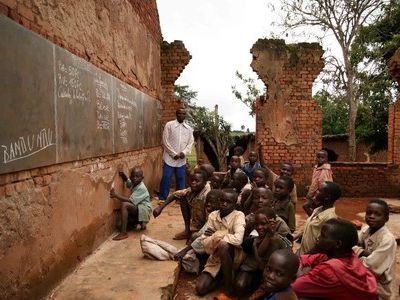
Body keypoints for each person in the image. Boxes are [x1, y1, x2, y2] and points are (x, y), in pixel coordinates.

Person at [292, 219, 377, 300]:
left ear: (337, 244)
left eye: (323, 236)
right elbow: (305, 259)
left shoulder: (328, 270)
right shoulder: (349, 256)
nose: (318, 238)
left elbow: (294, 287)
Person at [195, 189, 246, 297]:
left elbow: (238, 239)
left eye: (228, 202)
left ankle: (228, 286)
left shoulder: (238, 215)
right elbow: (205, 242)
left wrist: (216, 235)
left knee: (223, 245)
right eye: (222, 200)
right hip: (215, 257)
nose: (224, 204)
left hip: (234, 257)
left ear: (235, 204)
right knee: (200, 289)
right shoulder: (213, 215)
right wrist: (222, 235)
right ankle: (221, 275)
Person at [235, 207, 291, 296]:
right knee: (240, 285)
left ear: (272, 223)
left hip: (269, 272)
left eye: (263, 224)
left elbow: (262, 264)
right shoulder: (255, 235)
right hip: (255, 267)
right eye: (257, 224)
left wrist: (268, 235)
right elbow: (256, 255)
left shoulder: (277, 240)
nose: (259, 227)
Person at [353, 199, 398, 299]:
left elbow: (369, 266)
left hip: (380, 286)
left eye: (377, 214)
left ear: (386, 219)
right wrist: (364, 252)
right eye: (369, 213)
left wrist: (358, 253)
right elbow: (351, 244)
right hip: (367, 278)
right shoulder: (365, 230)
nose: (371, 216)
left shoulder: (387, 240)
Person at [153, 171, 210, 240]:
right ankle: (187, 230)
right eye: (192, 180)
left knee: (195, 238)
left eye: (197, 181)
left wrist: (199, 234)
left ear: (204, 182)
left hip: (206, 224)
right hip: (197, 220)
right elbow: (176, 194)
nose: (193, 183)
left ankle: (196, 232)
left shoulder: (207, 196)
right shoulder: (195, 189)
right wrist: (160, 207)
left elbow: (209, 221)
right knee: (183, 197)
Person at [158, 108, 194, 203]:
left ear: (185, 115)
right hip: (169, 158)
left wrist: (184, 153)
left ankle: (180, 199)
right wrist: (173, 154)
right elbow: (165, 141)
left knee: (181, 178)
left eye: (183, 114)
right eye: (179, 113)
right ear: (176, 114)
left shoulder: (189, 129)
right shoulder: (169, 125)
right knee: (166, 177)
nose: (181, 115)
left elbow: (190, 143)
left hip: (181, 159)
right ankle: (162, 198)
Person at [296, 181, 341, 255]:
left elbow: (322, 244)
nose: (316, 192)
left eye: (319, 190)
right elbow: (310, 229)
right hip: (304, 252)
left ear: (327, 197)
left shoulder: (330, 218)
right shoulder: (318, 209)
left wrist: (306, 256)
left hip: (311, 256)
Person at [109, 167, 151, 241]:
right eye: (133, 176)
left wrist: (116, 195)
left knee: (125, 205)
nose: (135, 178)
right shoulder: (135, 183)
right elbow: (129, 183)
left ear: (142, 178)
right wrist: (124, 176)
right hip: (138, 208)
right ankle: (136, 223)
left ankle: (123, 233)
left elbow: (131, 201)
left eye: (137, 176)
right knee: (119, 225)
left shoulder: (141, 187)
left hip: (144, 210)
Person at [303, 150, 333, 216]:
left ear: (326, 159)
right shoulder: (317, 167)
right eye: (318, 157)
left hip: (321, 194)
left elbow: (322, 184)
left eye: (322, 157)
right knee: (316, 210)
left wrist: (310, 194)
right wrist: (310, 187)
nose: (320, 159)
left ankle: (315, 220)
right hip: (317, 193)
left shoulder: (324, 170)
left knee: (306, 206)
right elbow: (315, 182)